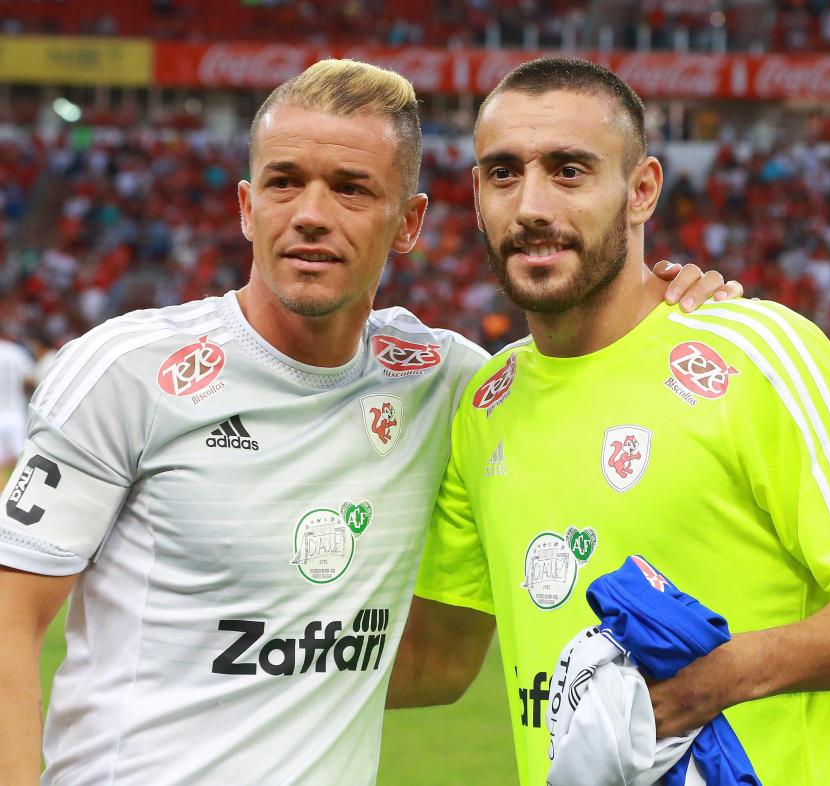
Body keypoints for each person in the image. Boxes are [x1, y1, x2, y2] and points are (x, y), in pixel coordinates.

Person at [0, 59, 736, 785]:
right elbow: (10, 615)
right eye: (285, 182)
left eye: (352, 189)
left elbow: (439, 670)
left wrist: (668, 301)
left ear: (409, 221)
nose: (311, 214)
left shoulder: (450, 384)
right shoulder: (129, 372)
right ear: (247, 206)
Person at [403, 58, 830, 786]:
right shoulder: (483, 403)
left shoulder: (759, 354)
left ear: (641, 190)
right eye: (504, 173)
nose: (531, 204)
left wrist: (697, 690)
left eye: (569, 171)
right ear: (475, 195)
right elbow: (437, 659)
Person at [0, 333, 36, 472]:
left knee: (1, 466)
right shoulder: (16, 351)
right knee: (23, 461)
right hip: (15, 411)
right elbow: (31, 381)